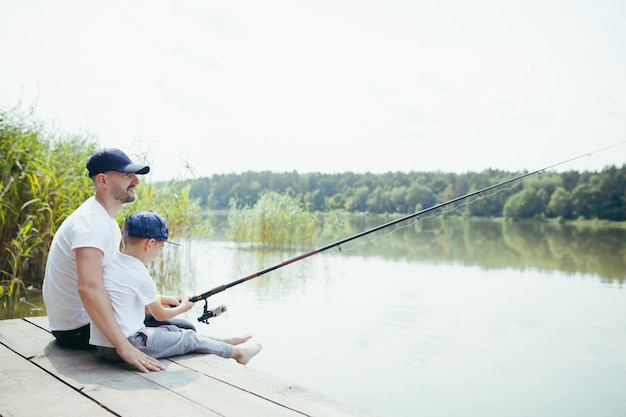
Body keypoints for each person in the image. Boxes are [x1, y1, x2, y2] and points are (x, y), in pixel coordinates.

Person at [43, 148, 169, 372]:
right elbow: (89, 288)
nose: (136, 181)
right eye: (127, 175)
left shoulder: (102, 218)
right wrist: (123, 347)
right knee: (175, 328)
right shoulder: (91, 223)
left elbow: (108, 280)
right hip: (77, 329)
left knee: (170, 322)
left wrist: (156, 299)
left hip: (80, 323)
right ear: (103, 180)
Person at [91, 210, 262, 365]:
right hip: (129, 346)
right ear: (150, 243)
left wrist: (163, 299)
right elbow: (160, 314)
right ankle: (238, 353)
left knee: (173, 330)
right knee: (188, 338)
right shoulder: (140, 273)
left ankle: (219, 341)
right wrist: (183, 307)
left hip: (102, 346)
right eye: (160, 248)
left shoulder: (110, 262)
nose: (158, 254)